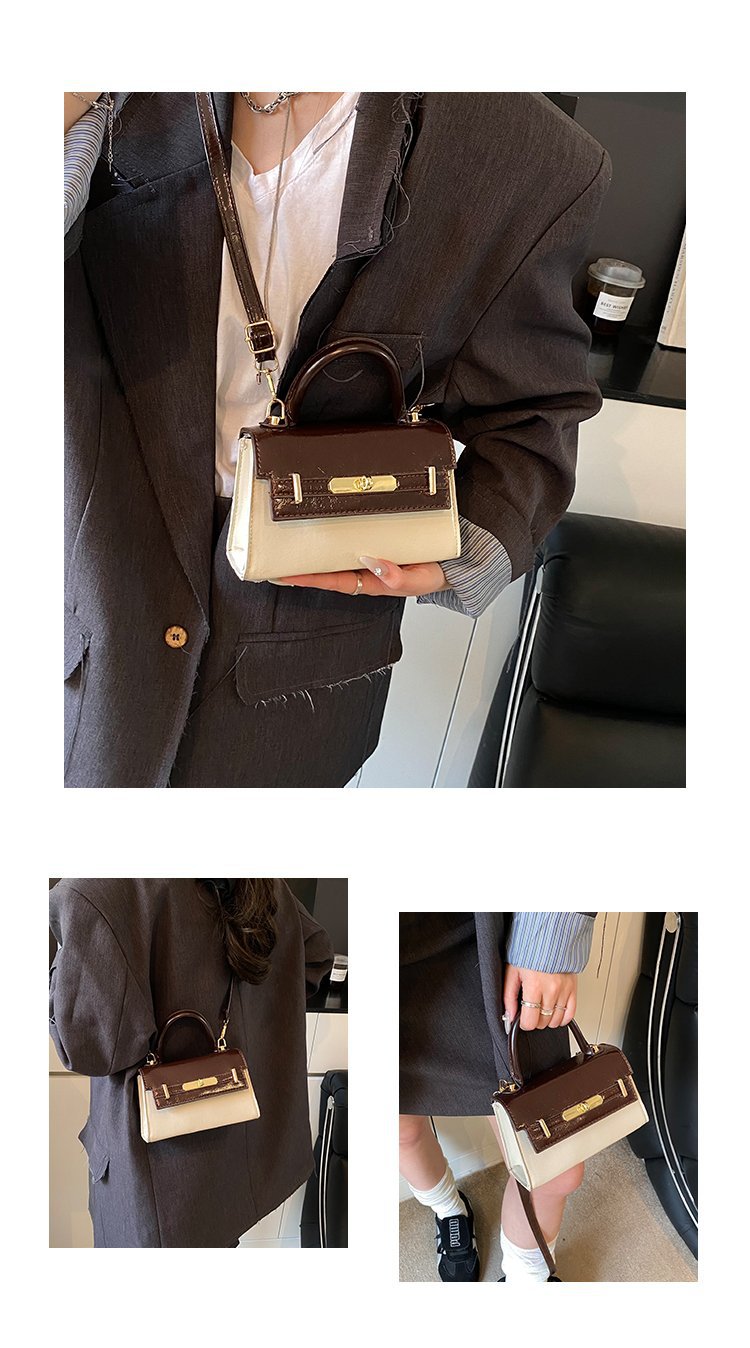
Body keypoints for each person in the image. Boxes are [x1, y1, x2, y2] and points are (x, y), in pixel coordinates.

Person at [64, 92, 611, 786]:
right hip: (77, 625)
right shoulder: (107, 92)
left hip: (295, 692)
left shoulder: (525, 157)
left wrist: (462, 551)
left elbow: (537, 413)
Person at [49, 878, 333, 1247]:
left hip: (164, 1187)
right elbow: (315, 956)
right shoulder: (263, 880)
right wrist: (253, 1020)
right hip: (241, 1157)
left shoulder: (100, 889)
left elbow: (89, 1046)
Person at [399, 911, 596, 1282]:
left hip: (487, 938)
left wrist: (553, 934)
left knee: (554, 1168)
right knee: (401, 1130)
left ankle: (526, 1276)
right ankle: (449, 1210)